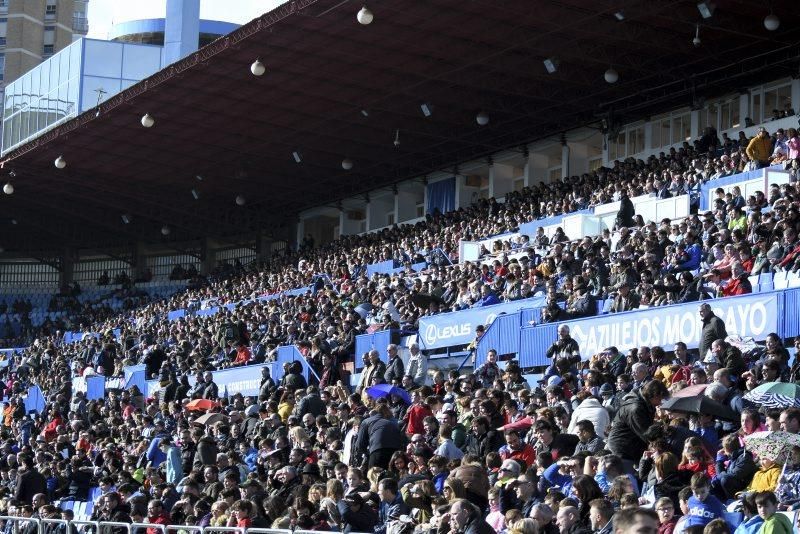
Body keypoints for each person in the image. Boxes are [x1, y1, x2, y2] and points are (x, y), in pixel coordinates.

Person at [607, 380, 670, 464]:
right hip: (623, 448)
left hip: (630, 444)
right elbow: (646, 433)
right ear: (654, 395)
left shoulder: (645, 402)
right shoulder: (636, 409)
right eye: (660, 399)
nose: (660, 402)